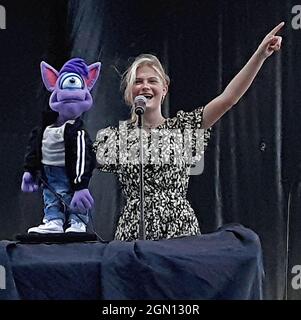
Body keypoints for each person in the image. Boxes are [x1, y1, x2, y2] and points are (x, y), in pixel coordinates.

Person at [93, 22, 284, 241]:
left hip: (178, 229)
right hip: (133, 232)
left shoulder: (184, 129)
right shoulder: (117, 137)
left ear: (164, 89)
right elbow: (79, 165)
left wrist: (260, 55)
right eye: (138, 82)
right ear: (130, 92)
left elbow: (228, 98)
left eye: (152, 81)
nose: (145, 86)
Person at [21, 58, 101, 234]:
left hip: (70, 175)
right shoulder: (45, 128)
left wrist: (80, 185)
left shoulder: (77, 132)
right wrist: (30, 171)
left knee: (73, 197)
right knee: (51, 197)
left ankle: (78, 221)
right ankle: (53, 220)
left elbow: (83, 158)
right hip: (48, 173)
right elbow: (34, 148)